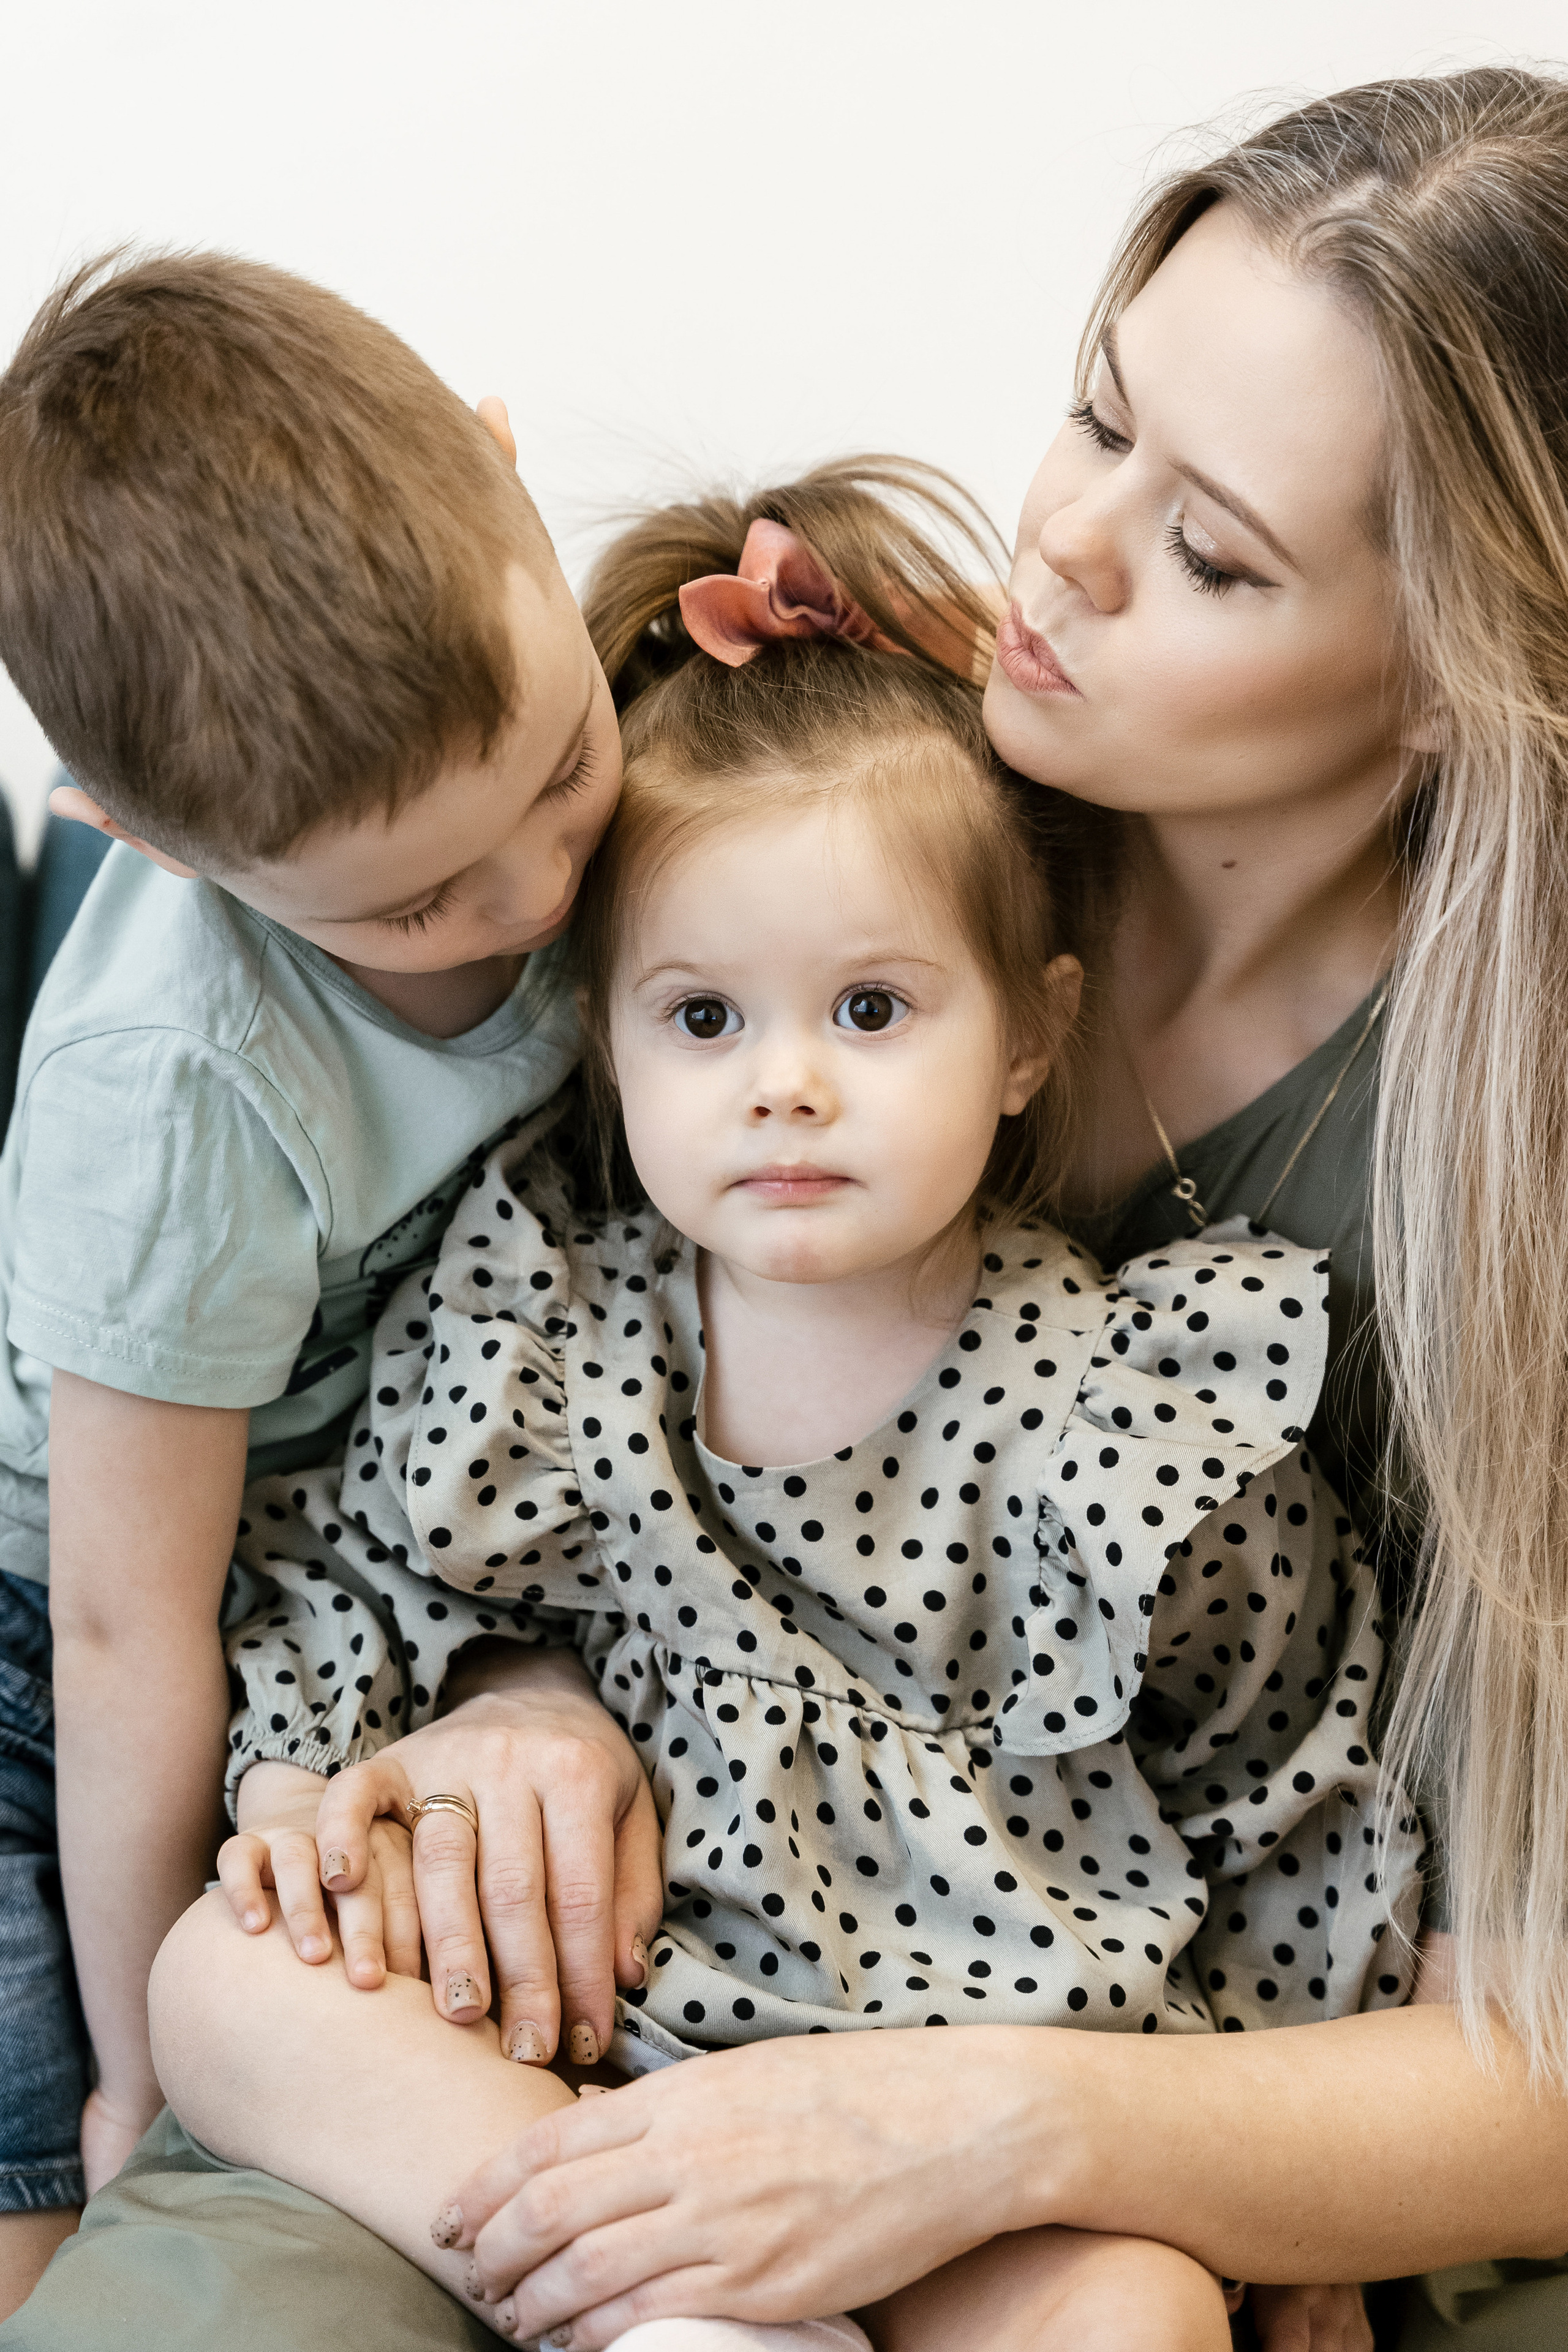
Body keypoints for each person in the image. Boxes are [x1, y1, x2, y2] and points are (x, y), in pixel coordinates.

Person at [15, 61, 1568, 2352]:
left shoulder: (1487, 1167)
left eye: (1215, 553)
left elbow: (1483, 1998)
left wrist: (993, 2126)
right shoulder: (817, 764)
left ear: (1455, 676)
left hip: (1058, 2046)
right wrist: (521, 1692)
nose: (1063, 548)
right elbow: (442, 1416)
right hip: (543, 1960)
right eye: (1096, 415)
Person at [147, 466, 1416, 2352]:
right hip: (587, 2055)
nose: (788, 1087)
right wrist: (298, 1795)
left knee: (1136, 2313)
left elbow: (1291, 1792)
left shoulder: (1138, 1415)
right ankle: (673, 2309)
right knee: (221, 1982)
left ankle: (649, 2301)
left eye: (873, 1012)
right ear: (607, 1041)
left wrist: (1308, 2218)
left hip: (976, 2119)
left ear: (1030, 1035)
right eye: (705, 1020)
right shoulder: (549, 1330)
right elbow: (349, 1577)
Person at [0, 250, 657, 2320]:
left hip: (370, 1558)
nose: (539, 898)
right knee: (54, 2204)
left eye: (563, 773)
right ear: (147, 844)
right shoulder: (175, 1088)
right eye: (419, 904)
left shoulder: (577, 688)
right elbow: (123, 1628)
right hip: (58, 1643)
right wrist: (140, 2067)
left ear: (509, 474)